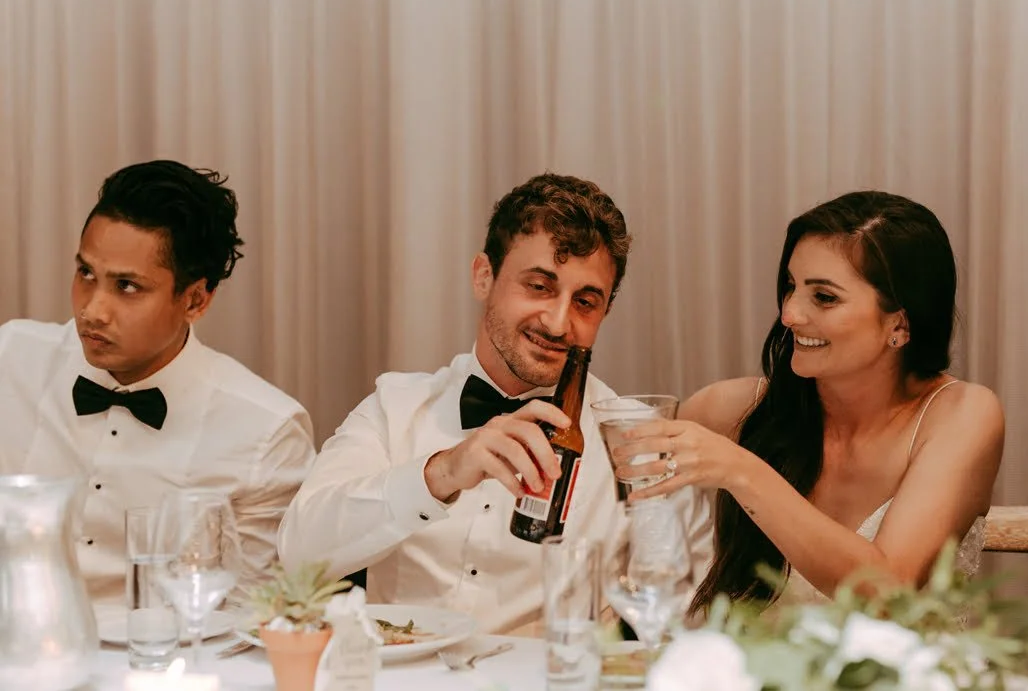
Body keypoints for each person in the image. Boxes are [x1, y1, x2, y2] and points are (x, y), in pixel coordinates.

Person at [277, 172, 713, 635]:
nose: (558, 322)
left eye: (585, 302)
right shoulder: (394, 408)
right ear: (484, 276)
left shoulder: (641, 443)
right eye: (539, 286)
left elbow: (686, 618)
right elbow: (298, 554)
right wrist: (440, 473)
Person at [610, 190, 1004, 611]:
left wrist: (740, 471)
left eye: (824, 297)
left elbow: (888, 591)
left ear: (900, 325)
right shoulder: (734, 409)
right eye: (791, 286)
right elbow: (602, 481)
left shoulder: (962, 416)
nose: (789, 315)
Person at [0, 160, 316, 602]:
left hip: (169, 645)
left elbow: (248, 615)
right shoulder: (11, 357)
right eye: (86, 273)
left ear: (195, 300)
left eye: (127, 286)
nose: (93, 310)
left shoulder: (265, 433)